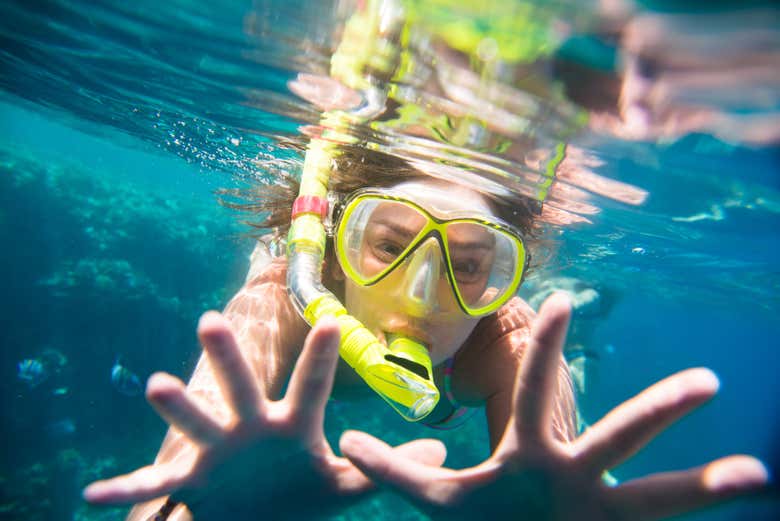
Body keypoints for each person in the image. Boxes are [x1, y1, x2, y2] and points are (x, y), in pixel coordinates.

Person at [83, 145, 768, 520]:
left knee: (564, 346)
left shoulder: (503, 337)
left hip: (530, 341)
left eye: (468, 265)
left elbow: (555, 467)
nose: (422, 296)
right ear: (331, 247)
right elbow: (176, 481)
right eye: (387, 245)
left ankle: (581, 312)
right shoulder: (281, 301)